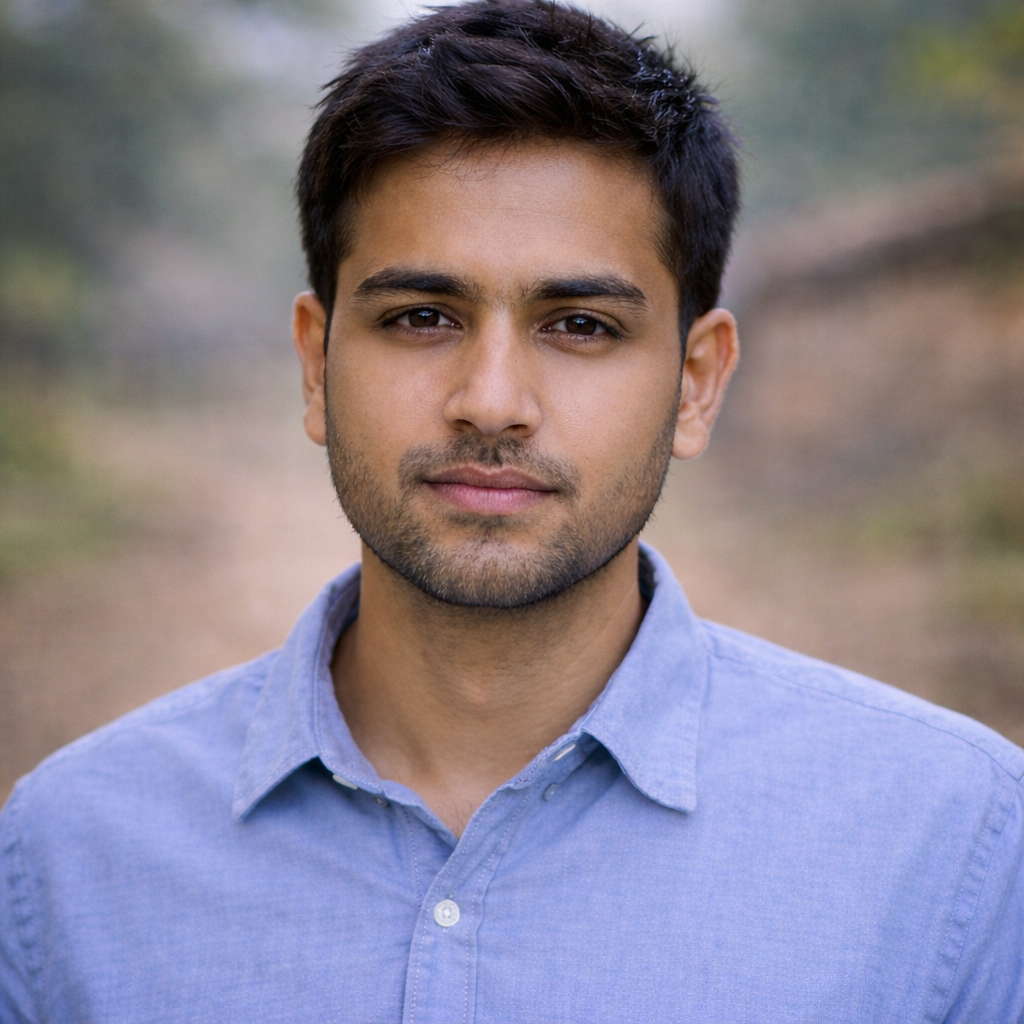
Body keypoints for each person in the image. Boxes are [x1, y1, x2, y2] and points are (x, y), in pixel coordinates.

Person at [2, 1, 1022, 1020]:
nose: (491, 402)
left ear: (697, 382)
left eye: (580, 324)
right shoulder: (67, 860)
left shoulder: (953, 848)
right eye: (421, 317)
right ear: (316, 365)